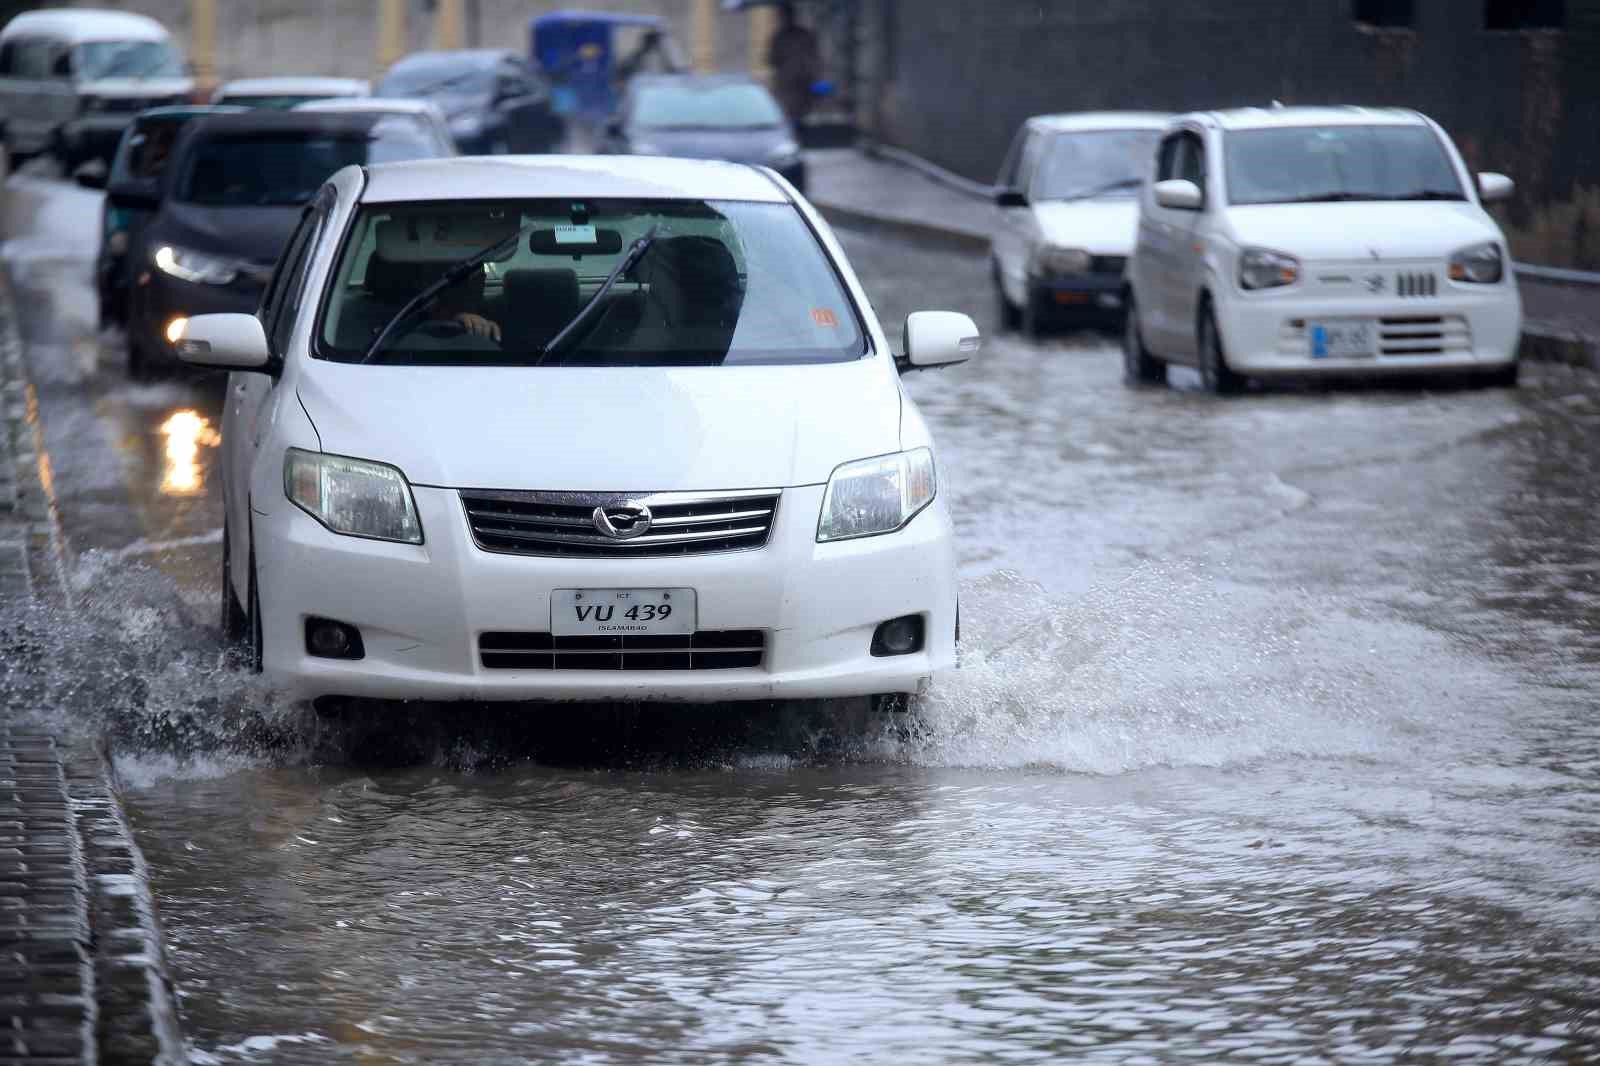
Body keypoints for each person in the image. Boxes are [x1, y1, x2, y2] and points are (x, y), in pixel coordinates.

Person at [767, 2, 821, 126]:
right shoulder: (780, 37)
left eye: (784, 15)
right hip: (789, 83)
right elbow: (771, 60)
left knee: (798, 113)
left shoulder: (797, 36)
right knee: (791, 114)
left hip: (800, 82)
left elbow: (815, 58)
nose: (783, 18)